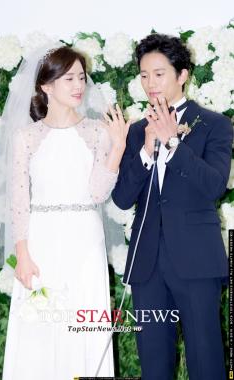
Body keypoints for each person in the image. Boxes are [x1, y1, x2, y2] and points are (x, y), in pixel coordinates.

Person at [0, 43, 131, 380]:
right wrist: (22, 251)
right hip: (41, 239)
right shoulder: (27, 136)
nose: (79, 85)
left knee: (83, 322)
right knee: (39, 326)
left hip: (85, 237)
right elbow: (18, 197)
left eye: (81, 77)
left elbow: (96, 192)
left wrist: (117, 146)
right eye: (69, 79)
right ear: (46, 86)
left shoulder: (96, 131)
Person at [112, 33, 233, 380]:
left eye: (159, 74)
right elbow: (122, 198)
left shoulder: (215, 124)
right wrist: (147, 150)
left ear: (182, 75)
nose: (150, 83)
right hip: (147, 263)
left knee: (205, 358)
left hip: (196, 260)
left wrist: (173, 143)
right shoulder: (136, 132)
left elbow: (213, 185)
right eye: (144, 75)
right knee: (154, 362)